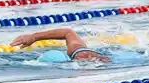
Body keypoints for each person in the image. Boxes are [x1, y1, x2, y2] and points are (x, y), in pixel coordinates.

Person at [9, 27, 138, 64]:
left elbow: (68, 32)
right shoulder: (77, 52)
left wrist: (34, 37)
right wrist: (33, 37)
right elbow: (68, 32)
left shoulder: (78, 54)